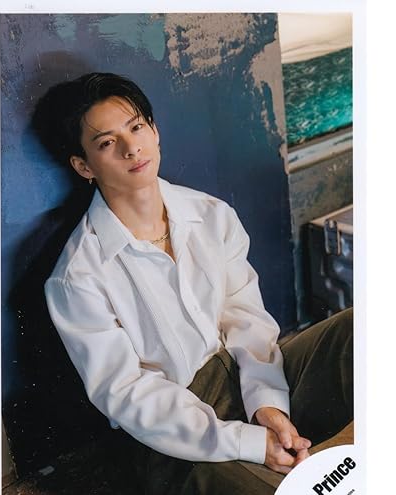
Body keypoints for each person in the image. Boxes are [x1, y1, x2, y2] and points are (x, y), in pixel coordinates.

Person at [34, 73, 353, 494]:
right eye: (107, 143)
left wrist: (268, 406)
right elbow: (128, 394)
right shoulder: (76, 277)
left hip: (242, 376)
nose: (132, 148)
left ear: (154, 131)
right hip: (172, 434)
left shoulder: (211, 215)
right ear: (84, 166)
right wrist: (250, 443)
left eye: (136, 127)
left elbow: (246, 317)